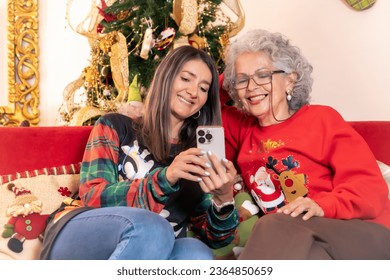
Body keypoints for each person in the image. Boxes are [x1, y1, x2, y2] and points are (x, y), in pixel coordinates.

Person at [40, 45, 239, 260]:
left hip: (150, 248)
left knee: (195, 252)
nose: (193, 92)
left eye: (203, 88)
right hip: (80, 233)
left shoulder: (196, 158)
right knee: (154, 227)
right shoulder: (115, 125)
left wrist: (224, 199)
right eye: (186, 79)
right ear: (166, 79)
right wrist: (166, 177)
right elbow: (93, 197)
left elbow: (216, 239)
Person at [220, 29, 390, 259]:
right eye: (242, 79)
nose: (251, 87)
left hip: (362, 233)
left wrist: (322, 206)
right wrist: (234, 70)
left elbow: (370, 187)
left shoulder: (321, 119)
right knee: (310, 258)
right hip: (301, 243)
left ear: (290, 79)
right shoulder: (243, 130)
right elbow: (207, 98)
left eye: (262, 75)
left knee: (272, 224)